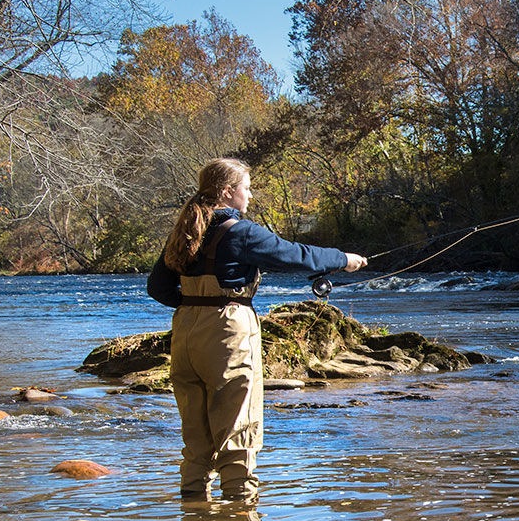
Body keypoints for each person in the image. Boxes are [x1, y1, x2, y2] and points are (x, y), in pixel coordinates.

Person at [148, 157, 367, 501]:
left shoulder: (186, 231)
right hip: (227, 332)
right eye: (246, 188)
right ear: (227, 192)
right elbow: (297, 255)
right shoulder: (241, 232)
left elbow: (158, 288)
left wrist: (196, 307)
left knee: (196, 433)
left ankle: (195, 516)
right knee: (239, 427)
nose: (249, 196)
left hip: (185, 334)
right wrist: (343, 259)